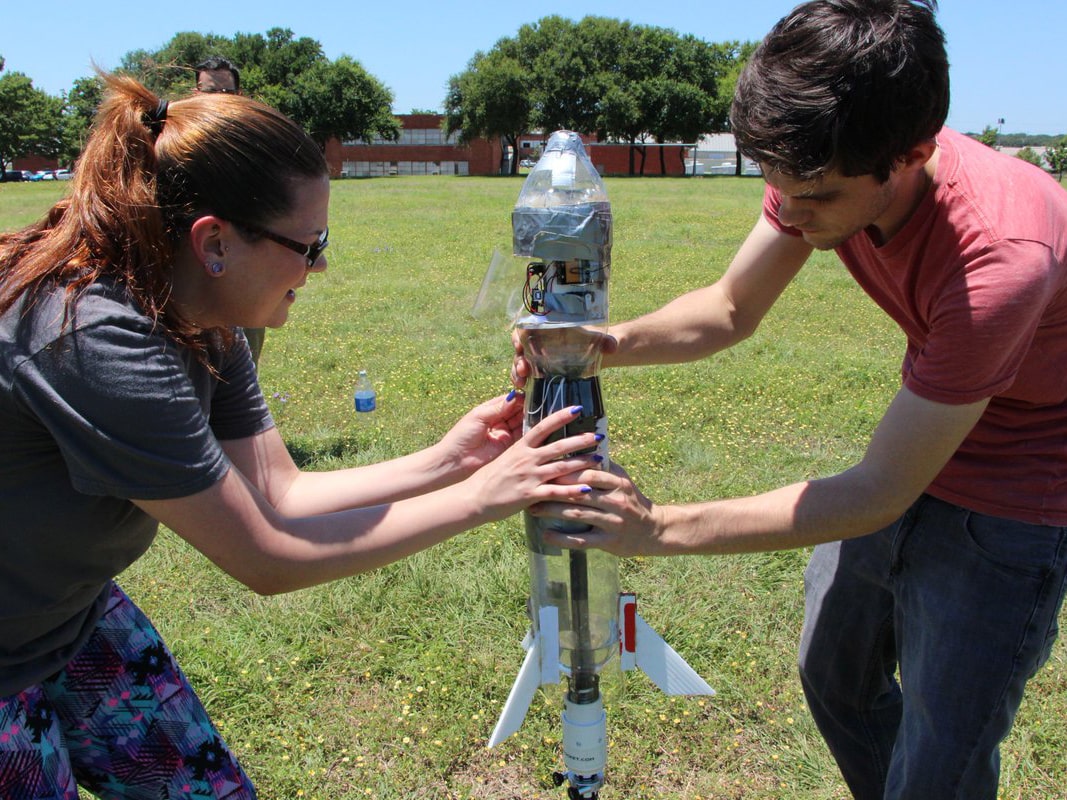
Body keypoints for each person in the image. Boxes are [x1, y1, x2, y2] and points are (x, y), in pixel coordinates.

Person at [517, 2, 1067, 798]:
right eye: (777, 186)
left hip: (1023, 487)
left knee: (941, 752)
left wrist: (657, 528)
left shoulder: (1000, 259)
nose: (790, 214)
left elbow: (878, 491)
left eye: (815, 198)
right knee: (833, 676)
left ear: (912, 155)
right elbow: (728, 310)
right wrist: (603, 343)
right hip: (928, 433)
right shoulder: (824, 162)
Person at [0, 73, 602, 799]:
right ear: (214, 242)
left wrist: (450, 461)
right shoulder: (98, 338)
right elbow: (267, 556)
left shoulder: (201, 312)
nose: (321, 266)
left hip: (65, 617)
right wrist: (482, 497)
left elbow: (280, 492)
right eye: (309, 244)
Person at [193, 55, 266, 368]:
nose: (216, 101)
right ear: (195, 94)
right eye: (209, 92)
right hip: (194, 272)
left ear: (237, 96)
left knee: (244, 365)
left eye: (225, 93)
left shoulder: (255, 144)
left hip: (244, 273)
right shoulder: (180, 143)